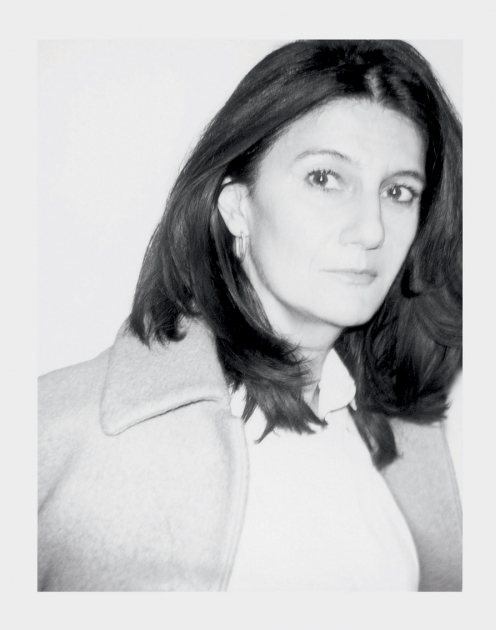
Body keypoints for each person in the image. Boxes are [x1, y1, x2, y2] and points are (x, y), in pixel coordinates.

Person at [38, 40, 462, 591]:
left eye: (399, 191)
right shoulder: (58, 430)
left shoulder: (402, 431)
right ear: (237, 207)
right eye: (325, 178)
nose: (371, 229)